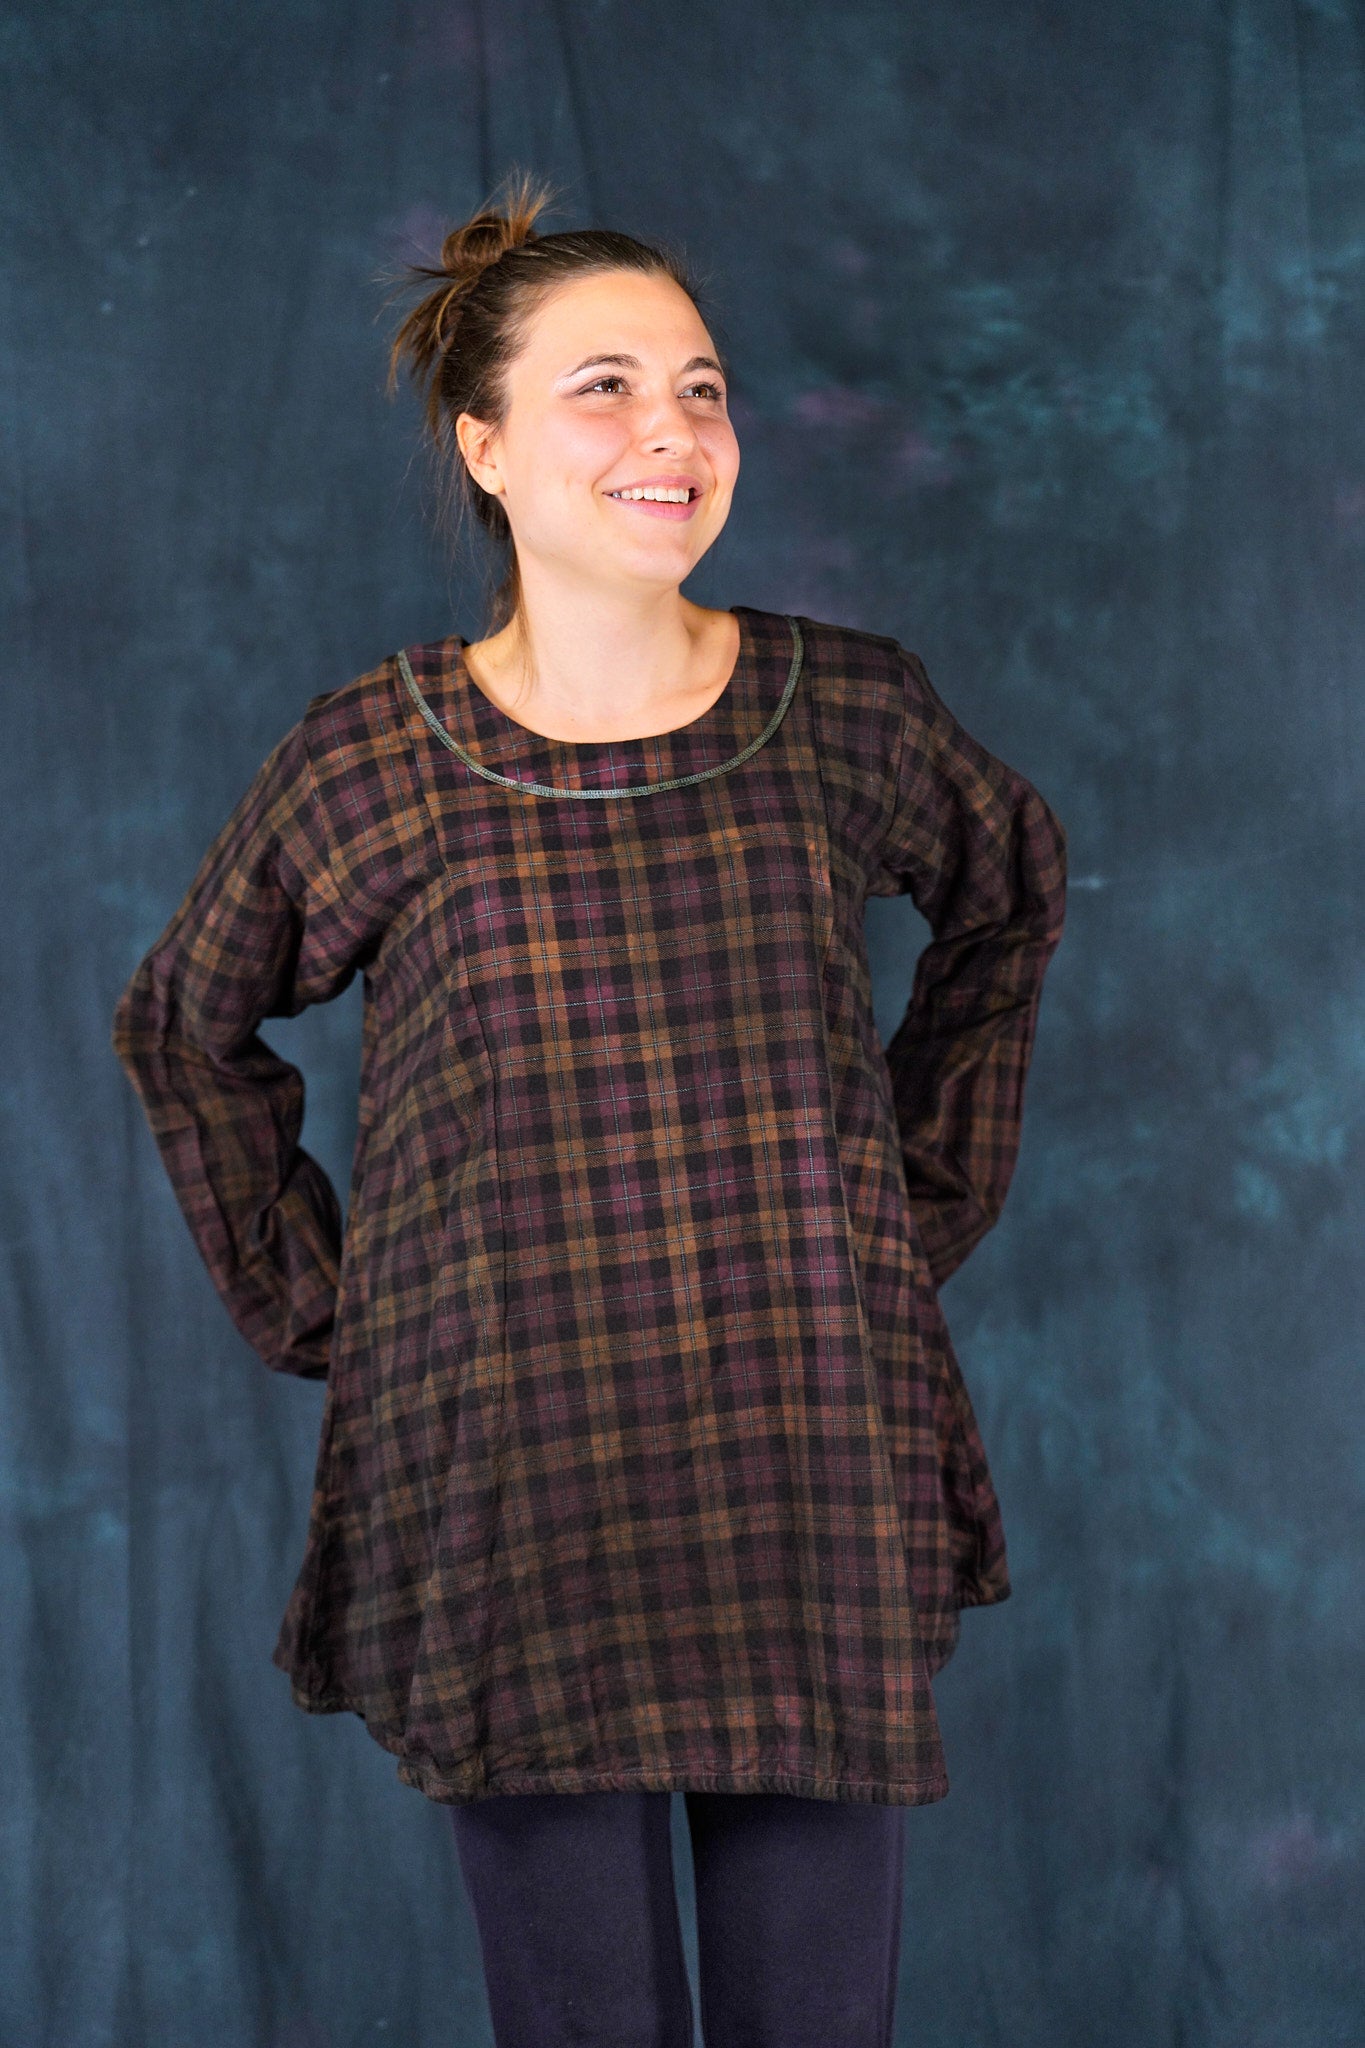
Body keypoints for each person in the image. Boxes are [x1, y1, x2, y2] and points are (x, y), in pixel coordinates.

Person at [111, 169, 1068, 2048]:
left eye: (700, 388)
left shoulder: (847, 714)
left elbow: (1009, 899)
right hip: (512, 1480)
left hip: (802, 1453)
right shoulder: (374, 761)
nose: (671, 432)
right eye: (605, 387)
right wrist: (345, 1307)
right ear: (484, 448)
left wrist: (909, 1199)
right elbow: (183, 1029)